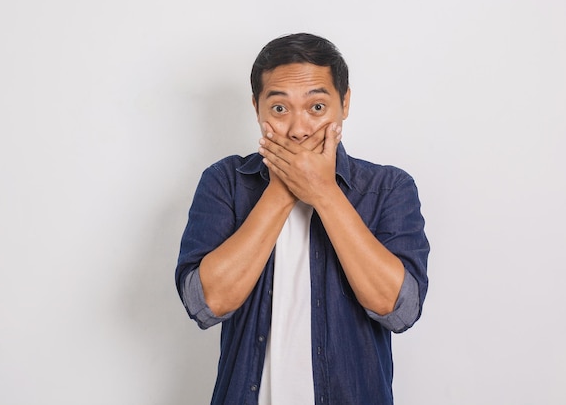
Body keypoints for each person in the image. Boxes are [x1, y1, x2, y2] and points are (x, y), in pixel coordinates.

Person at [175, 33, 429, 405]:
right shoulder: (226, 182)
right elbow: (206, 303)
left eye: (316, 107)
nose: (298, 129)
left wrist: (324, 193)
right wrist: (283, 188)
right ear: (257, 108)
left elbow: (400, 310)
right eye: (279, 109)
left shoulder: (388, 188)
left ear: (345, 103)